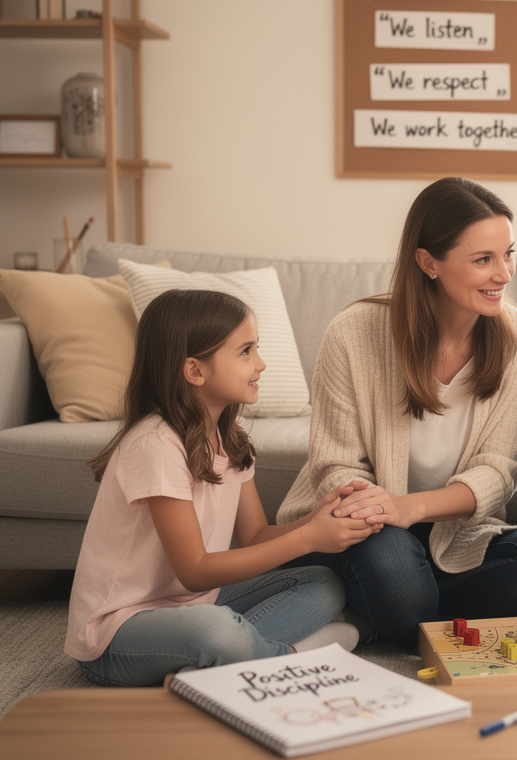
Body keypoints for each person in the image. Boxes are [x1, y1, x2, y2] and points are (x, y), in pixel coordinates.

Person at [277, 177, 517, 649]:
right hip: (368, 528)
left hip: (458, 534)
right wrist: (386, 511)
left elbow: (499, 472)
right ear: (428, 263)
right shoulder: (353, 332)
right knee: (396, 574)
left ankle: (380, 620)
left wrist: (411, 508)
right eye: (483, 259)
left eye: (508, 253)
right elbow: (335, 465)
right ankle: (410, 610)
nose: (504, 274)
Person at [65, 289, 371, 687]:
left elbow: (256, 536)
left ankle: (222, 662)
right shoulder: (156, 445)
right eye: (245, 351)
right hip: (119, 633)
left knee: (323, 583)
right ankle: (286, 658)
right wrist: (309, 537)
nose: (260, 364)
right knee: (216, 631)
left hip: (199, 602)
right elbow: (194, 571)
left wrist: (316, 521)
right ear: (195, 370)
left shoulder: (230, 438)